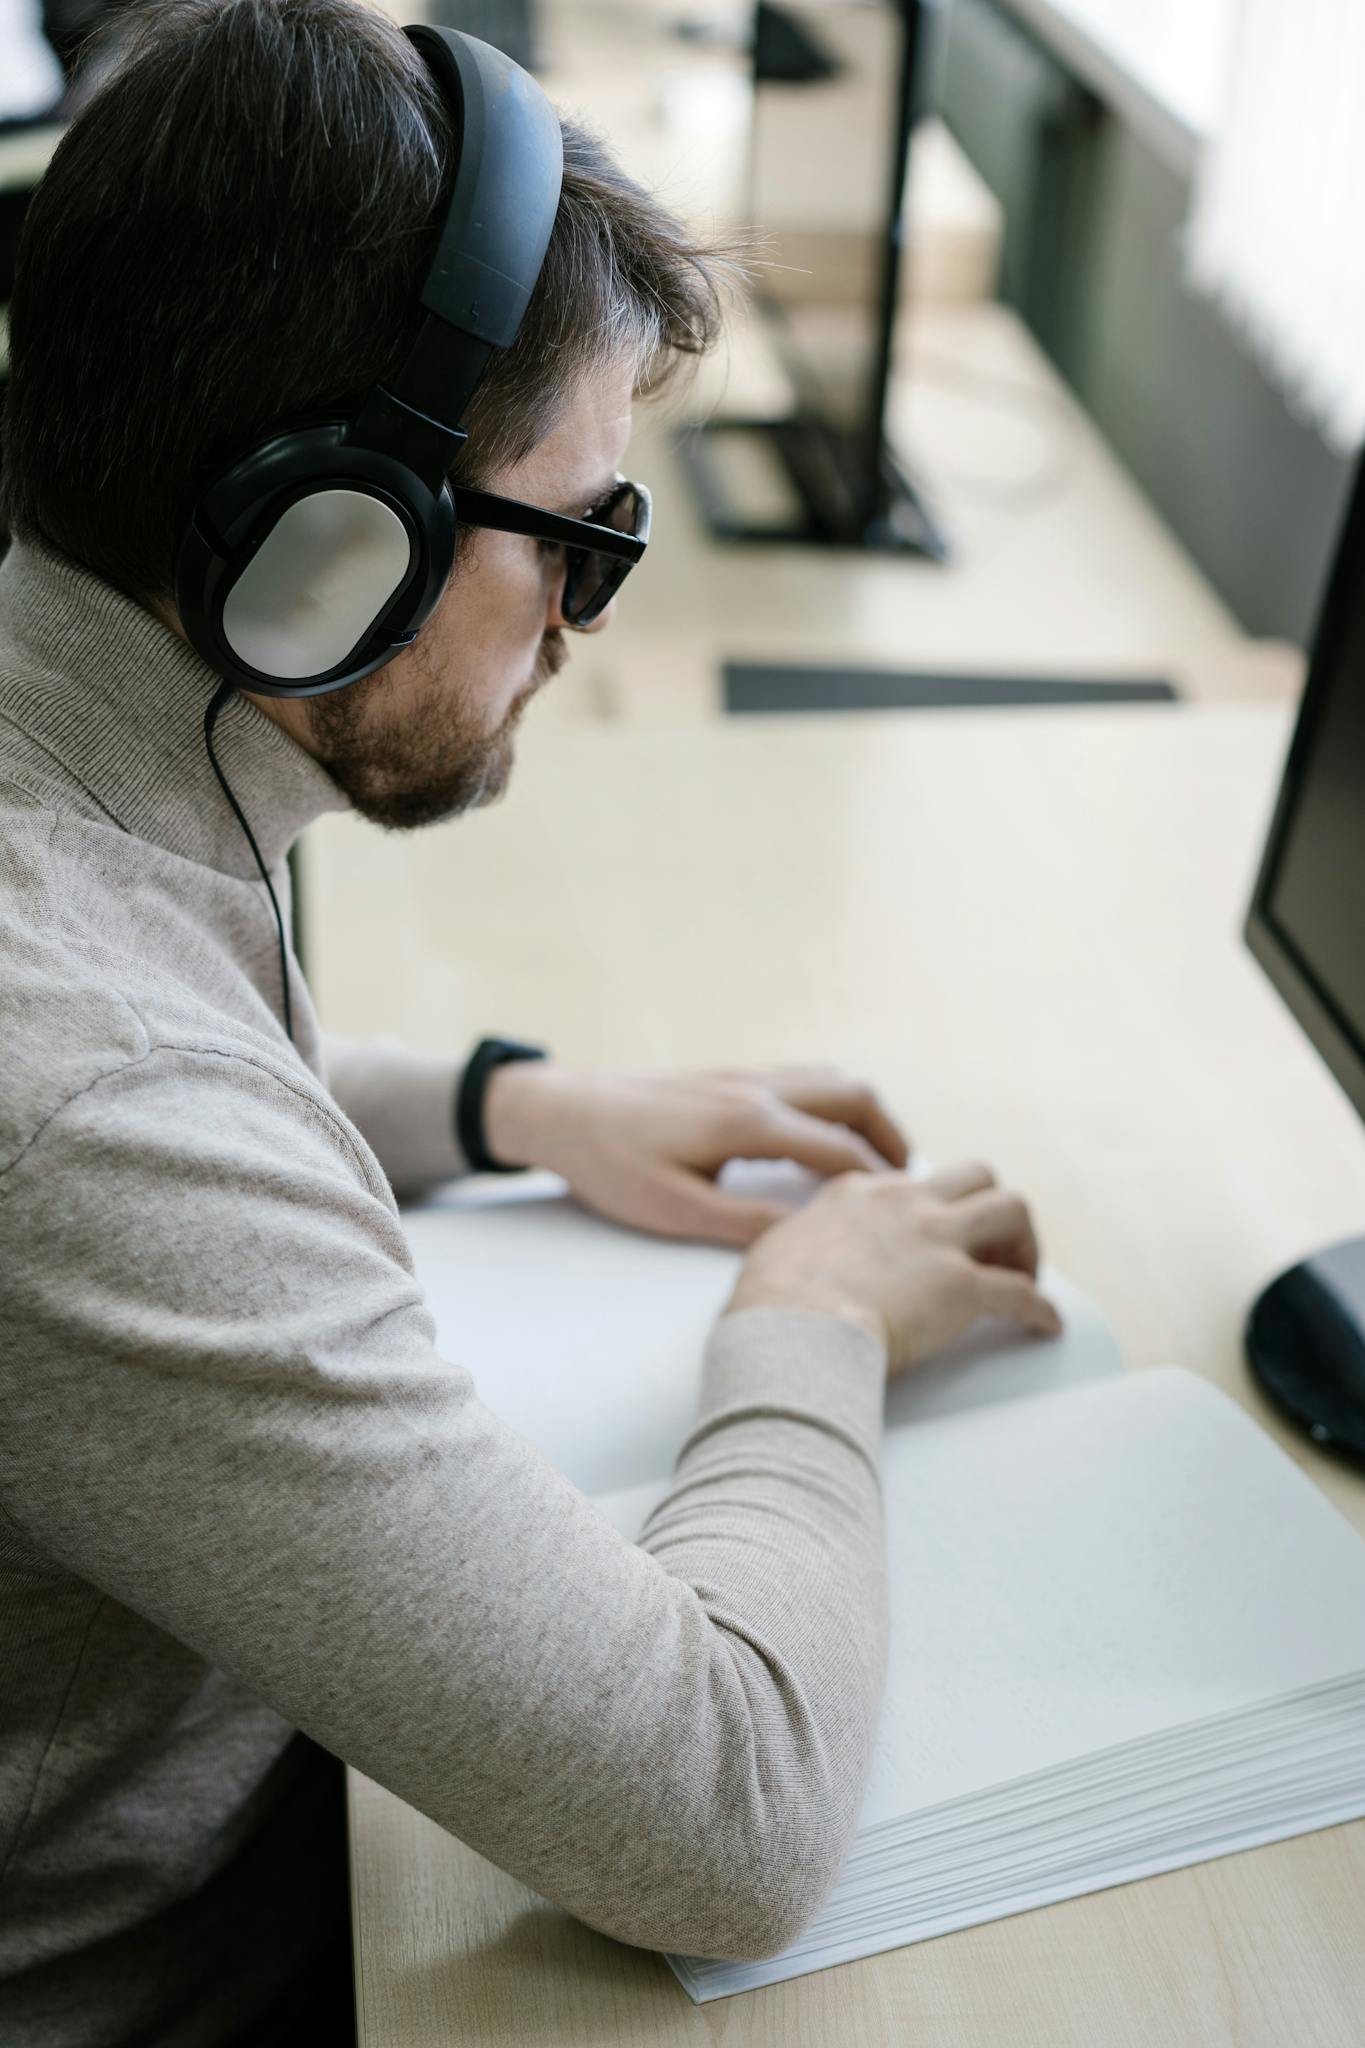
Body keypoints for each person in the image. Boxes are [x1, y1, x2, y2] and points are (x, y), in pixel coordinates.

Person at [0, 2, 1062, 2041]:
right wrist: (806, 1321)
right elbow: (719, 1813)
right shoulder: (93, 1117)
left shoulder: (81, 747)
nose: (581, 620)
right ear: (325, 551)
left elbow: (169, 1101)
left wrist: (506, 1103)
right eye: (574, 535)